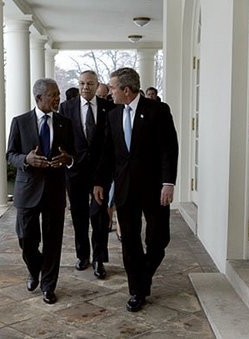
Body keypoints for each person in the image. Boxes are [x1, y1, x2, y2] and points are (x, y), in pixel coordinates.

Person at [94, 67, 178, 312]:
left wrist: (168, 183)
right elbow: (108, 153)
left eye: (112, 88)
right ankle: (137, 291)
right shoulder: (112, 115)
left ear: (126, 90)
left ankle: (143, 277)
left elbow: (168, 150)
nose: (110, 93)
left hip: (154, 189)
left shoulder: (158, 111)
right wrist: (100, 181)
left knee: (159, 239)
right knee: (129, 241)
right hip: (125, 189)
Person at [6, 78, 75, 305]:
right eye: (53, 95)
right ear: (39, 98)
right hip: (27, 191)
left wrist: (68, 159)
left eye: (58, 94)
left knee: (53, 241)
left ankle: (48, 286)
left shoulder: (65, 122)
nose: (58, 98)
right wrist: (27, 159)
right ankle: (34, 268)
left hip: (55, 191)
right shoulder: (20, 122)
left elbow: (72, 154)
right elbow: (10, 155)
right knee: (26, 239)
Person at [59, 70, 115, 279]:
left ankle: (100, 259)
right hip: (75, 172)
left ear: (97, 85)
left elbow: (109, 146)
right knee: (79, 216)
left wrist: (102, 177)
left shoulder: (108, 108)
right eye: (82, 83)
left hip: (101, 173)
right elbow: (63, 141)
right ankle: (83, 256)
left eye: (90, 84)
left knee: (99, 216)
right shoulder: (66, 108)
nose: (85, 87)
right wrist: (68, 161)